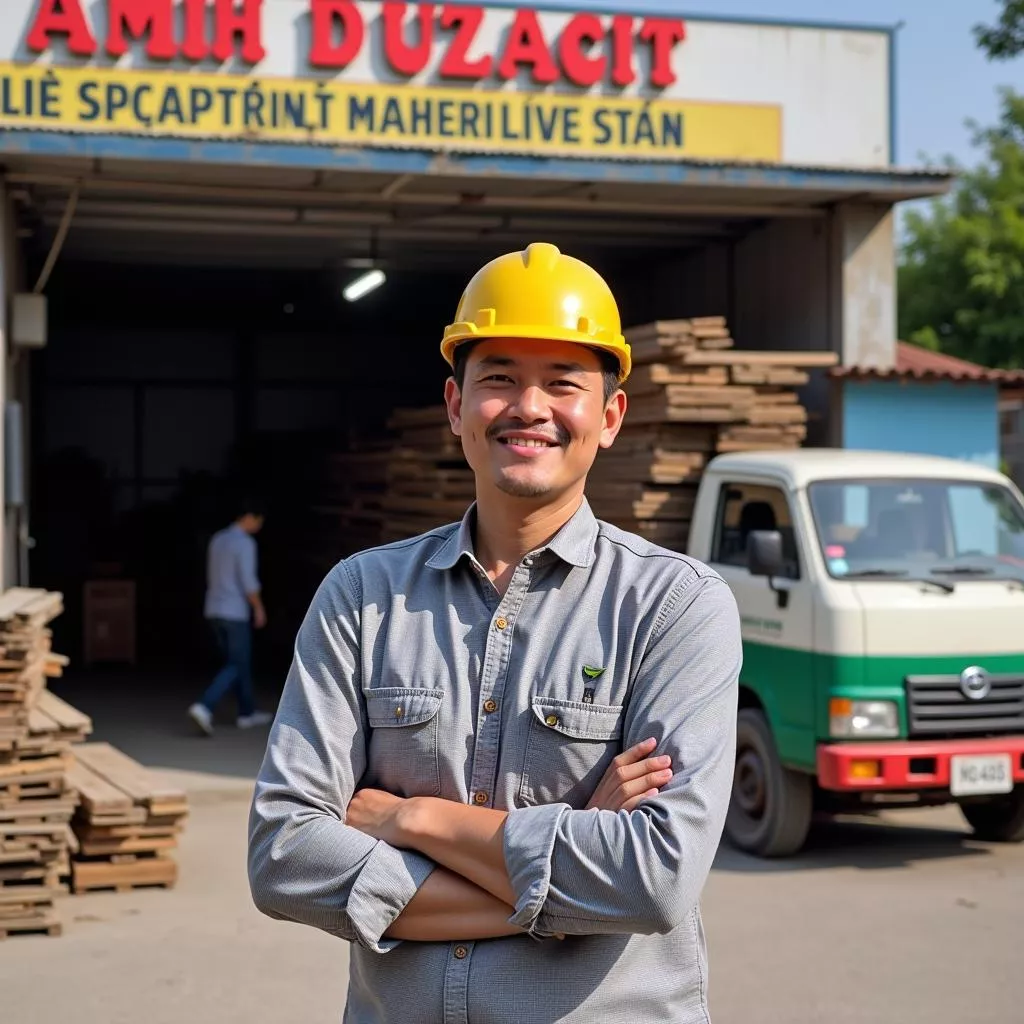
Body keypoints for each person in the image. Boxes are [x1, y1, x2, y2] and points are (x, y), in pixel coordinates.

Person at [248, 242, 742, 1022]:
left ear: (609, 416)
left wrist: (413, 820)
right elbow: (283, 854)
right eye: (500, 379)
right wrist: (571, 859)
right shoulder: (362, 596)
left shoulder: (674, 607)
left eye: (563, 383)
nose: (530, 407)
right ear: (455, 405)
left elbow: (654, 879)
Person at [189, 497, 273, 735]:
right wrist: (258, 607)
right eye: (258, 521)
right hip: (234, 611)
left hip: (214, 608)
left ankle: (246, 713)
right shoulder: (245, 543)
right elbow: (248, 582)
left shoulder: (218, 539)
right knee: (236, 663)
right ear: (249, 517)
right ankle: (204, 706)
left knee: (239, 661)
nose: (259, 526)